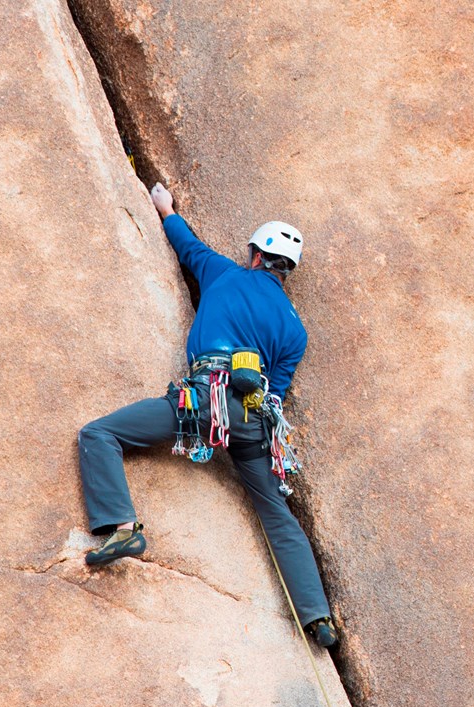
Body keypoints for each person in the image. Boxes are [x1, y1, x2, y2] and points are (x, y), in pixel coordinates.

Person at [75, 181, 338, 648]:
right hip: (253, 421)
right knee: (275, 511)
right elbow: (273, 394)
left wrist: (165, 208)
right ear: (287, 271)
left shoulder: (225, 275)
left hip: (205, 402)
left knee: (100, 435)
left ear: (256, 255)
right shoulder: (295, 330)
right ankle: (317, 618)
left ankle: (120, 527)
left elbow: (187, 246)